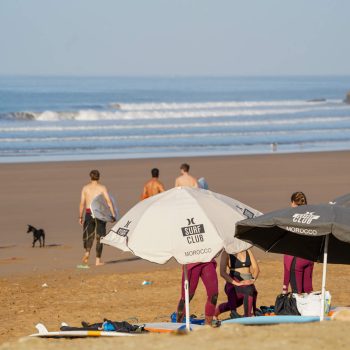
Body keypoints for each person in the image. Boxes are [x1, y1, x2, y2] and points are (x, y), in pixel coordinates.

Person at [79, 169, 116, 266]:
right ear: (98, 177)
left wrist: (80, 217)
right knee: (100, 236)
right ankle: (97, 261)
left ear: (90, 177)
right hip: (99, 213)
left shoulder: (85, 188)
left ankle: (87, 253)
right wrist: (113, 214)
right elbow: (108, 201)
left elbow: (82, 204)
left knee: (89, 235)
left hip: (88, 213)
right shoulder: (102, 188)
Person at [283, 191, 314, 294]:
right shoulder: (311, 217)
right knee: (308, 291)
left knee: (297, 293)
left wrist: (284, 288)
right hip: (309, 258)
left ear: (292, 202)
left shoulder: (292, 218)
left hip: (297, 259)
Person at [216, 249, 259, 318]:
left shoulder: (248, 250)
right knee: (247, 291)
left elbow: (256, 268)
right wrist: (236, 283)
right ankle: (247, 316)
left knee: (238, 301)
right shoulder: (226, 252)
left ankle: (248, 315)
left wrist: (252, 280)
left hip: (247, 282)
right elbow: (222, 272)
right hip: (233, 283)